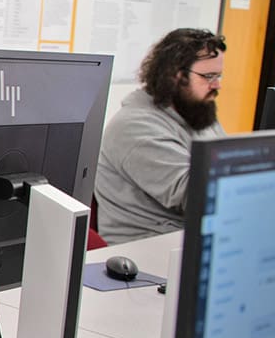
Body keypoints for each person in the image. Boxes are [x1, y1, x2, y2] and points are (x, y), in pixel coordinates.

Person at [95, 28, 226, 244]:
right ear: (175, 75)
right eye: (208, 76)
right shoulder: (134, 126)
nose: (217, 85)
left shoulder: (197, 112)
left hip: (189, 239)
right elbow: (196, 195)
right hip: (147, 252)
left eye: (218, 75)